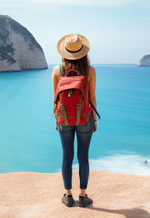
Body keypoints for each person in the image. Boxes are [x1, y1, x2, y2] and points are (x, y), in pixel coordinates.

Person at [52, 33, 97, 208]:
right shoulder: (90, 71)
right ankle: (83, 196)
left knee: (67, 155)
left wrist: (57, 119)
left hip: (64, 118)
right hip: (85, 118)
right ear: (83, 52)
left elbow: (55, 97)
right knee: (83, 156)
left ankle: (68, 196)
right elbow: (92, 98)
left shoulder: (57, 70)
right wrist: (93, 120)